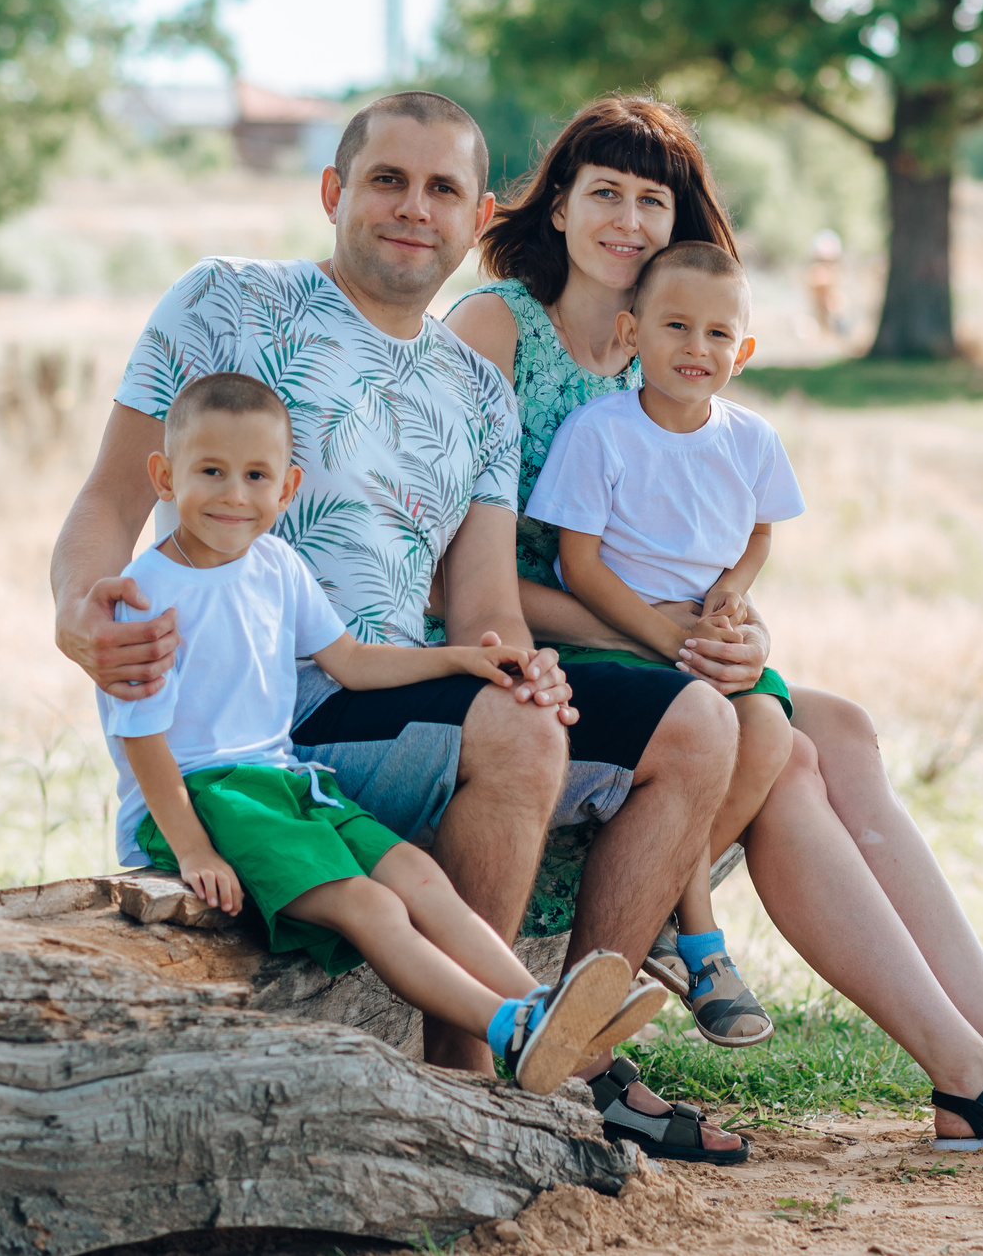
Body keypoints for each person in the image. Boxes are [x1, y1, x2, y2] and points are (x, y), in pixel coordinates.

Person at [445, 94, 983, 1156]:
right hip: (516, 651)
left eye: (656, 200)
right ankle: (964, 1076)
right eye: (604, 192)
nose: (629, 220)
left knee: (845, 730)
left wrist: (733, 626)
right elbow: (478, 567)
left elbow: (700, 550)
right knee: (778, 749)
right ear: (556, 205)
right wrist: (672, 640)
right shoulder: (499, 323)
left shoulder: (659, 357)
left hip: (640, 648)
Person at [52, 90, 746, 1161]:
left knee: (695, 721)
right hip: (257, 723)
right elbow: (108, 497)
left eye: (442, 188)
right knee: (515, 733)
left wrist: (523, 662)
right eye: (387, 179)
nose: (412, 207)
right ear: (334, 192)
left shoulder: (475, 387)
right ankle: (470, 1083)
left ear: (475, 219)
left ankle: (580, 1037)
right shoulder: (229, 302)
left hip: (388, 683)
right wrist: (77, 612)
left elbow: (482, 605)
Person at [97, 370, 657, 1095]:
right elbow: (142, 735)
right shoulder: (148, 594)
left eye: (256, 474)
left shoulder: (277, 565)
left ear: (287, 488)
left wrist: (461, 658)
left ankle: (554, 1014)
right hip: (203, 799)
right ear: (163, 476)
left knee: (420, 878)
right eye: (211, 471)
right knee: (373, 905)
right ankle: (511, 1028)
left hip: (286, 781)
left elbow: (352, 662)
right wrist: (194, 845)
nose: (235, 494)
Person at [526, 241, 802, 1050]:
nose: (697, 348)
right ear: (632, 330)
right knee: (704, 728)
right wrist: (663, 639)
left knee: (772, 729)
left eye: (719, 334)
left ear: (742, 352)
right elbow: (577, 564)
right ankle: (703, 941)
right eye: (676, 325)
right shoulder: (599, 432)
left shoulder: (750, 439)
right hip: (617, 638)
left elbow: (758, 531)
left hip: (698, 634)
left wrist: (732, 590)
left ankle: (655, 916)